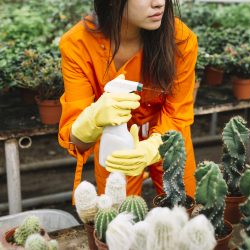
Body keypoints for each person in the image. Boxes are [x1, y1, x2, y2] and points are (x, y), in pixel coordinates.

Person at [58, 0, 198, 201]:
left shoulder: (180, 39)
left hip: (169, 132)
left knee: (185, 206)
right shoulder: (77, 44)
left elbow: (177, 114)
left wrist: (151, 149)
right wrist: (93, 119)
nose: (159, 3)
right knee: (118, 217)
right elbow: (75, 140)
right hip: (114, 135)